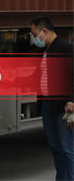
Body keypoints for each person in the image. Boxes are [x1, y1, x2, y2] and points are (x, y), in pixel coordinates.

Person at [30, 16, 74, 181]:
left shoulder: (65, 48)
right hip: (48, 106)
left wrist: (71, 100)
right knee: (55, 147)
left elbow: (72, 75)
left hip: (63, 106)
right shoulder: (44, 51)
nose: (34, 39)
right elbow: (39, 75)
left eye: (35, 34)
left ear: (45, 31)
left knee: (66, 148)